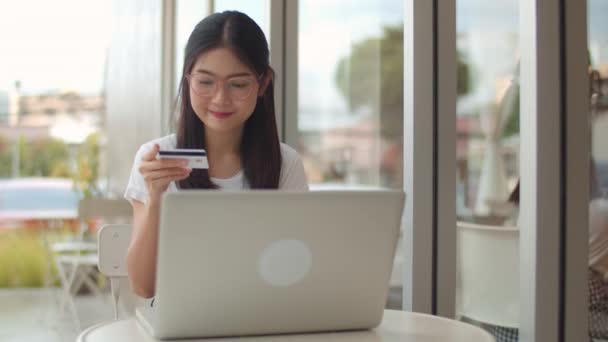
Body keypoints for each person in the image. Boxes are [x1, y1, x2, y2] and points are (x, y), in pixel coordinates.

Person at [123, 11, 309, 298]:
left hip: (261, 320)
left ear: (263, 84)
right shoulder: (156, 158)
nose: (221, 98)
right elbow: (144, 287)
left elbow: (295, 271)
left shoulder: (285, 164)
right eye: (206, 82)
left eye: (238, 84)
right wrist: (156, 201)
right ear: (188, 79)